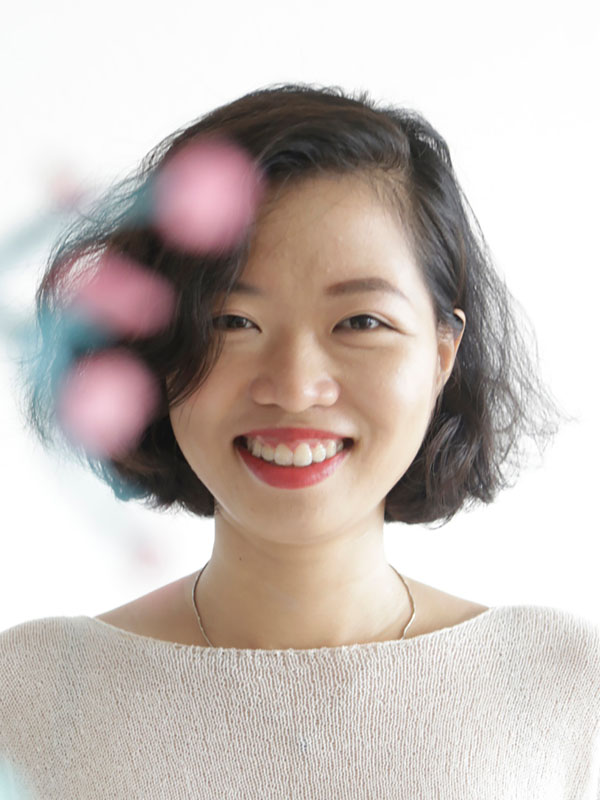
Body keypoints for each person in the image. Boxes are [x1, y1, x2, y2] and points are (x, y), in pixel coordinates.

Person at [2, 82, 599, 799]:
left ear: (443, 353)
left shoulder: (563, 690)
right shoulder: (29, 695)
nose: (293, 385)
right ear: (157, 349)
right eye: (231, 322)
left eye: (361, 322)